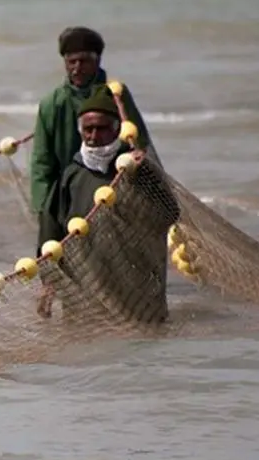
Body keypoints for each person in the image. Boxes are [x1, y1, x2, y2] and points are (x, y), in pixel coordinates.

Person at [36, 85, 180, 321]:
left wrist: (144, 173)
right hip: (86, 286)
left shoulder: (135, 169)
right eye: (88, 129)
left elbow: (169, 213)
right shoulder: (72, 175)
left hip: (134, 288)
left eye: (101, 128)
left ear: (116, 129)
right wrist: (48, 283)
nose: (93, 136)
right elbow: (51, 229)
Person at [29, 26, 154, 215]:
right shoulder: (52, 104)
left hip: (116, 190)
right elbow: (42, 163)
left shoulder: (116, 95)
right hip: (71, 192)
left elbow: (139, 143)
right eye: (72, 62)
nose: (77, 69)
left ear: (97, 61)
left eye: (84, 61)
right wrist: (43, 210)